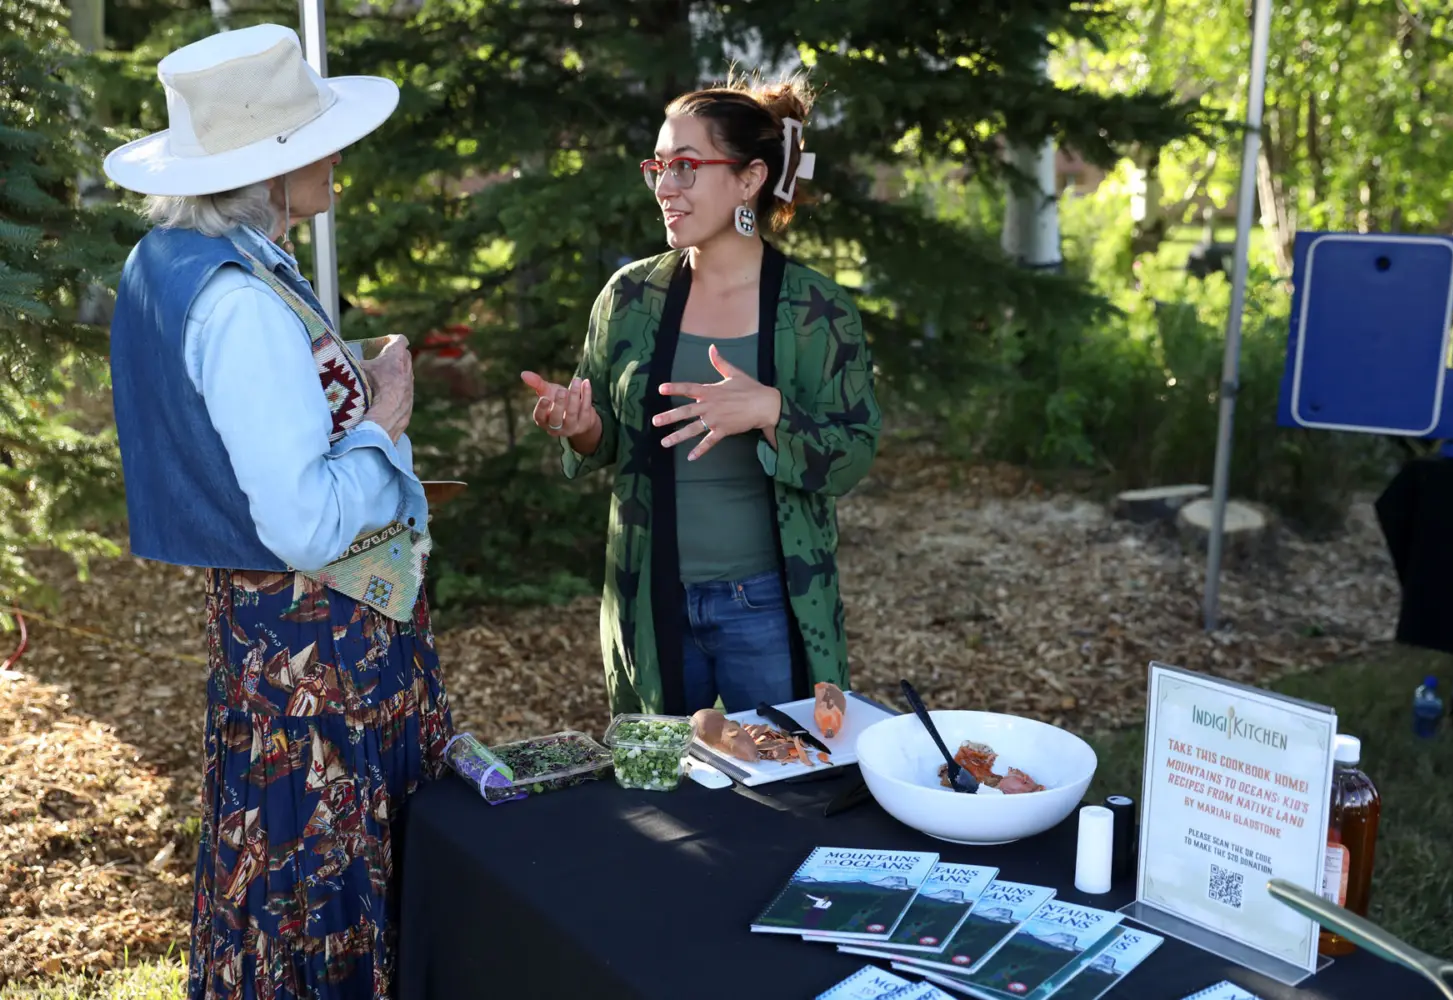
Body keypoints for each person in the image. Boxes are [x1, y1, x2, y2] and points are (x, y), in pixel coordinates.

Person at [102, 24, 451, 999]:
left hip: (277, 658)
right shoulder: (243, 304)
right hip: (317, 674)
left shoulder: (179, 261)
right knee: (316, 900)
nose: (334, 153)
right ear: (270, 168)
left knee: (280, 895)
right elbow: (302, 521)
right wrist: (382, 416)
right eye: (314, 141)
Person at [521, 77, 881, 717]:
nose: (664, 187)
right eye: (658, 167)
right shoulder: (629, 298)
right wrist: (578, 426)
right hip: (651, 596)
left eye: (685, 167)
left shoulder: (817, 310)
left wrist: (769, 412)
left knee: (785, 784)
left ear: (749, 181)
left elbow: (852, 456)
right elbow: (604, 432)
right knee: (664, 796)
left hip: (772, 606)